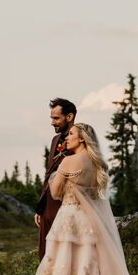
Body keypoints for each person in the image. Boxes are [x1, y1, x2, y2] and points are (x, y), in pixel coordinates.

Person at [17, 122, 138, 275]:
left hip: (70, 218)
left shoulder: (69, 162)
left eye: (71, 134)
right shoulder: (96, 162)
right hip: (91, 221)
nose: (66, 138)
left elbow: (55, 192)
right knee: (88, 260)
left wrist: (59, 174)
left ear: (82, 138)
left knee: (66, 262)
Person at [34, 98, 76, 260]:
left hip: (67, 204)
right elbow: (49, 175)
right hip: (48, 205)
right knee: (46, 249)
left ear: (69, 117)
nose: (52, 122)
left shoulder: (79, 140)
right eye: (51, 118)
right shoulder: (54, 141)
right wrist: (40, 206)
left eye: (56, 118)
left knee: (65, 250)